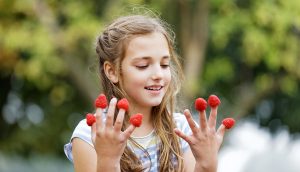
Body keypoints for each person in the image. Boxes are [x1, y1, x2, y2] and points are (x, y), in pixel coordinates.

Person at [64, 14, 228, 172]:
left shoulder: (183, 130)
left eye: (164, 65)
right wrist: (108, 160)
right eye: (143, 65)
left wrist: (208, 163)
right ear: (112, 71)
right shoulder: (90, 134)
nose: (158, 74)